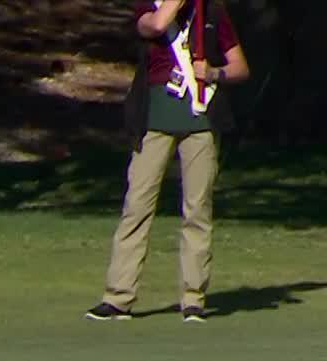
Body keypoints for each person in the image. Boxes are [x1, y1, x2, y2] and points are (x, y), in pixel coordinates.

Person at [87, 0, 250, 323]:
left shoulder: (212, 11)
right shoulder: (148, 7)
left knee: (197, 208)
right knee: (137, 205)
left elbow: (240, 67)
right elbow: (156, 26)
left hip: (200, 121)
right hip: (154, 119)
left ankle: (193, 298)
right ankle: (118, 297)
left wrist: (214, 72)